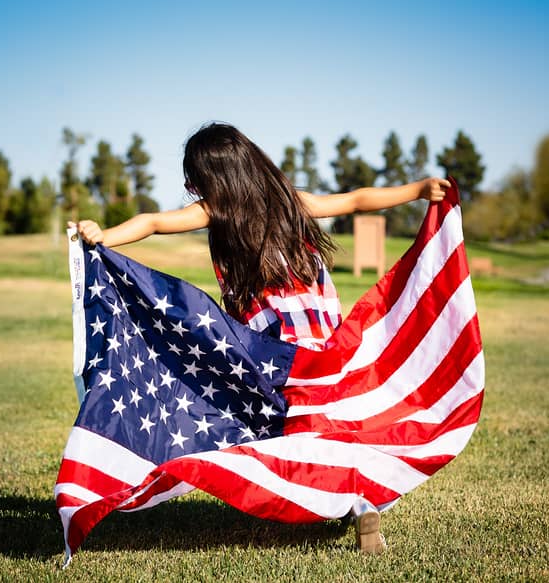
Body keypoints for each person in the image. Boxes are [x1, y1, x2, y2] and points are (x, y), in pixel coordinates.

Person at [70, 121, 450, 553]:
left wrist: (105, 235)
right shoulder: (291, 201)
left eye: (193, 177)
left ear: (215, 177)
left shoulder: (217, 210)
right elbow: (358, 199)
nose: (189, 187)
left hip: (273, 348)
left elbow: (155, 222)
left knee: (297, 431)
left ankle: (337, 495)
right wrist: (418, 189)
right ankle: (361, 500)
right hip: (324, 340)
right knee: (333, 425)